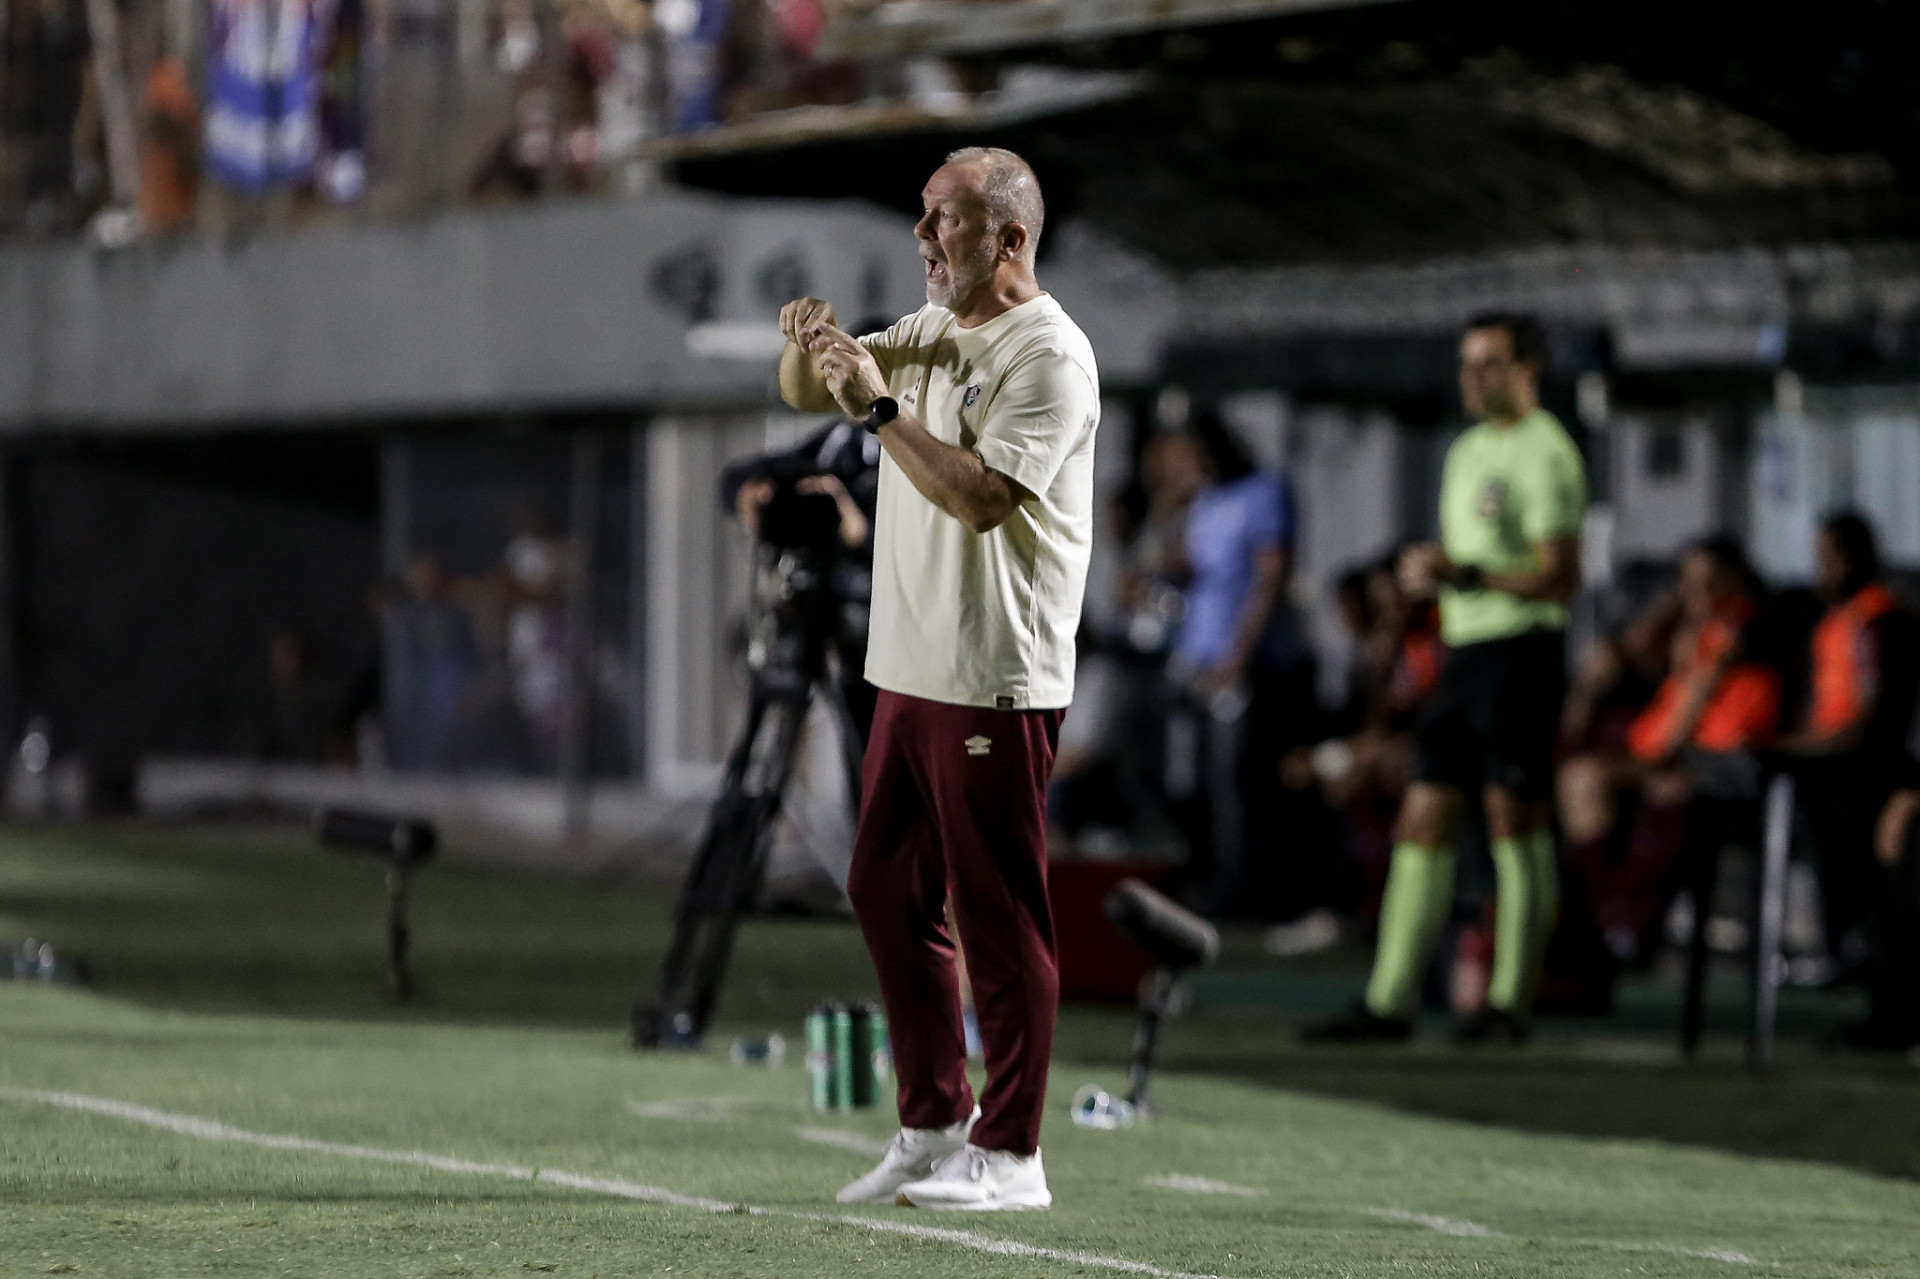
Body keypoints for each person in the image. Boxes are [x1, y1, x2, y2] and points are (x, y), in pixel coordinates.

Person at [775, 146, 1098, 1210]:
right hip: (910, 669)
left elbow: (982, 497)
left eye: (944, 221)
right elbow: (804, 388)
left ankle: (1011, 1155)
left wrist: (875, 412)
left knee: (998, 915)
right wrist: (809, 347)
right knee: (884, 890)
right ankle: (929, 1125)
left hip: (992, 675)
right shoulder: (928, 329)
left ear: (1008, 239)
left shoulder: (1049, 353)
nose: (922, 238)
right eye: (922, 217)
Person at [1306, 311, 1586, 1044]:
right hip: (1466, 657)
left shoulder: (1549, 451)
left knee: (1512, 819)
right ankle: (1388, 1001)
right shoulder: (1464, 451)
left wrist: (1460, 572)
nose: (1473, 377)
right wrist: (1427, 579)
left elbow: (1560, 579)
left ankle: (1508, 1004)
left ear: (1529, 370)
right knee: (1422, 816)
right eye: (1468, 363)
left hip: (1523, 653)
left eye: (1490, 363)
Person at [1160, 408, 1311, 916]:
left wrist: (1239, 653)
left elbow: (1268, 580)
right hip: (1196, 656)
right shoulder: (1205, 498)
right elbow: (1192, 567)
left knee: (1235, 787)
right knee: (1192, 781)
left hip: (1242, 661)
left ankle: (1243, 895)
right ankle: (1206, 883)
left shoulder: (1264, 492)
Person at [1777, 513, 1920, 1046]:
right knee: (1859, 897)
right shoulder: (1841, 618)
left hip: (1874, 775)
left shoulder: (1885, 619)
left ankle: (1899, 1012)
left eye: (1832, 556)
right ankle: (1886, 1007)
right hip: (1845, 772)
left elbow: (1874, 713)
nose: (1824, 569)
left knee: (1881, 893)